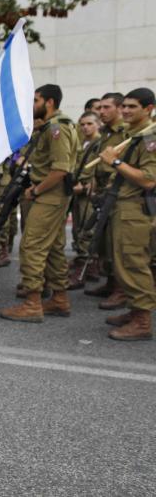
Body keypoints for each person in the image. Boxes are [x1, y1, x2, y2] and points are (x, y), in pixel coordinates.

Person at [0, 84, 78, 322]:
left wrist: (35, 191)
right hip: (50, 195)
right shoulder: (49, 127)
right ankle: (60, 298)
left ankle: (32, 303)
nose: (31, 106)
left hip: (49, 195)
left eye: (35, 101)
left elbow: (60, 170)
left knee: (31, 246)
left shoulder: (57, 129)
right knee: (53, 247)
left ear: (49, 102)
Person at [100, 88, 156, 341]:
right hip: (121, 206)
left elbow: (148, 180)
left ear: (148, 109)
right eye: (124, 106)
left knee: (133, 263)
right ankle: (135, 311)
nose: (125, 110)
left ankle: (142, 321)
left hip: (135, 209)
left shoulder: (149, 138)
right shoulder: (131, 135)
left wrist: (115, 162)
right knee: (122, 263)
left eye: (132, 107)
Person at [84, 92, 127, 308]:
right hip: (101, 190)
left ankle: (121, 290)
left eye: (106, 107)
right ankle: (110, 282)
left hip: (116, 192)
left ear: (119, 108)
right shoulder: (106, 133)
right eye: (99, 108)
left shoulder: (126, 133)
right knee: (102, 241)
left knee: (115, 243)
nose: (101, 112)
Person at [67, 111, 103, 289]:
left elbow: (101, 169)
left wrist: (89, 185)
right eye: (82, 124)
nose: (85, 127)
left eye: (89, 124)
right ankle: (86, 264)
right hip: (78, 189)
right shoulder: (82, 142)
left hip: (89, 192)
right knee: (78, 228)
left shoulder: (101, 143)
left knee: (87, 230)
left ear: (98, 124)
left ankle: (87, 268)